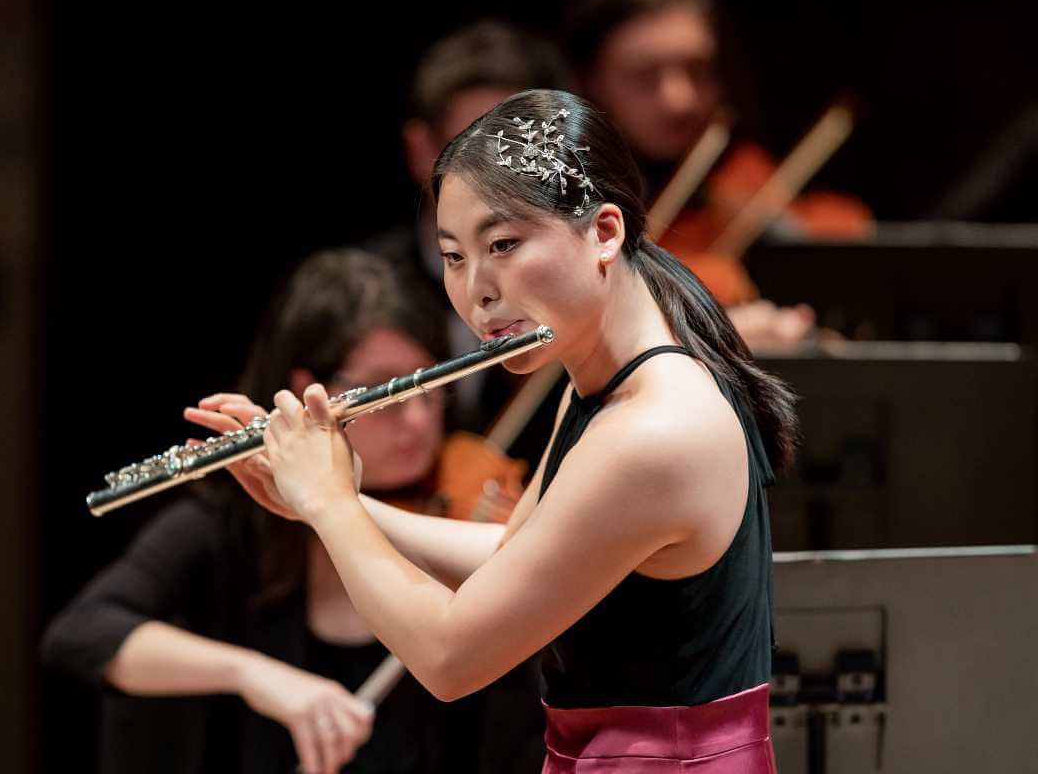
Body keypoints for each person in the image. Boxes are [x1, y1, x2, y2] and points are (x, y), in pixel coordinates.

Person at [202, 89, 796, 772]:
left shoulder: (653, 431)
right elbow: (520, 556)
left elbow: (452, 659)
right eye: (455, 255)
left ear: (605, 232)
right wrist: (327, 500)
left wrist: (331, 507)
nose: (477, 290)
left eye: (504, 244)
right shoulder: (604, 381)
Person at [42, 249, 543, 774]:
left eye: (429, 392)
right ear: (310, 391)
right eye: (388, 392)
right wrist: (252, 674)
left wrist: (336, 504)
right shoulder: (228, 527)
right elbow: (80, 633)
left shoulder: (460, 517)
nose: (419, 421)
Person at [563, 0, 871, 346]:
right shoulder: (561, 203)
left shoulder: (740, 171)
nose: (681, 99)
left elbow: (846, 232)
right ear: (589, 81)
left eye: (696, 69)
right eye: (644, 76)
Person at [361, 19, 572, 435]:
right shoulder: (363, 289)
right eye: (469, 148)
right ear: (422, 150)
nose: (498, 178)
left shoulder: (577, 275)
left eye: (518, 149)